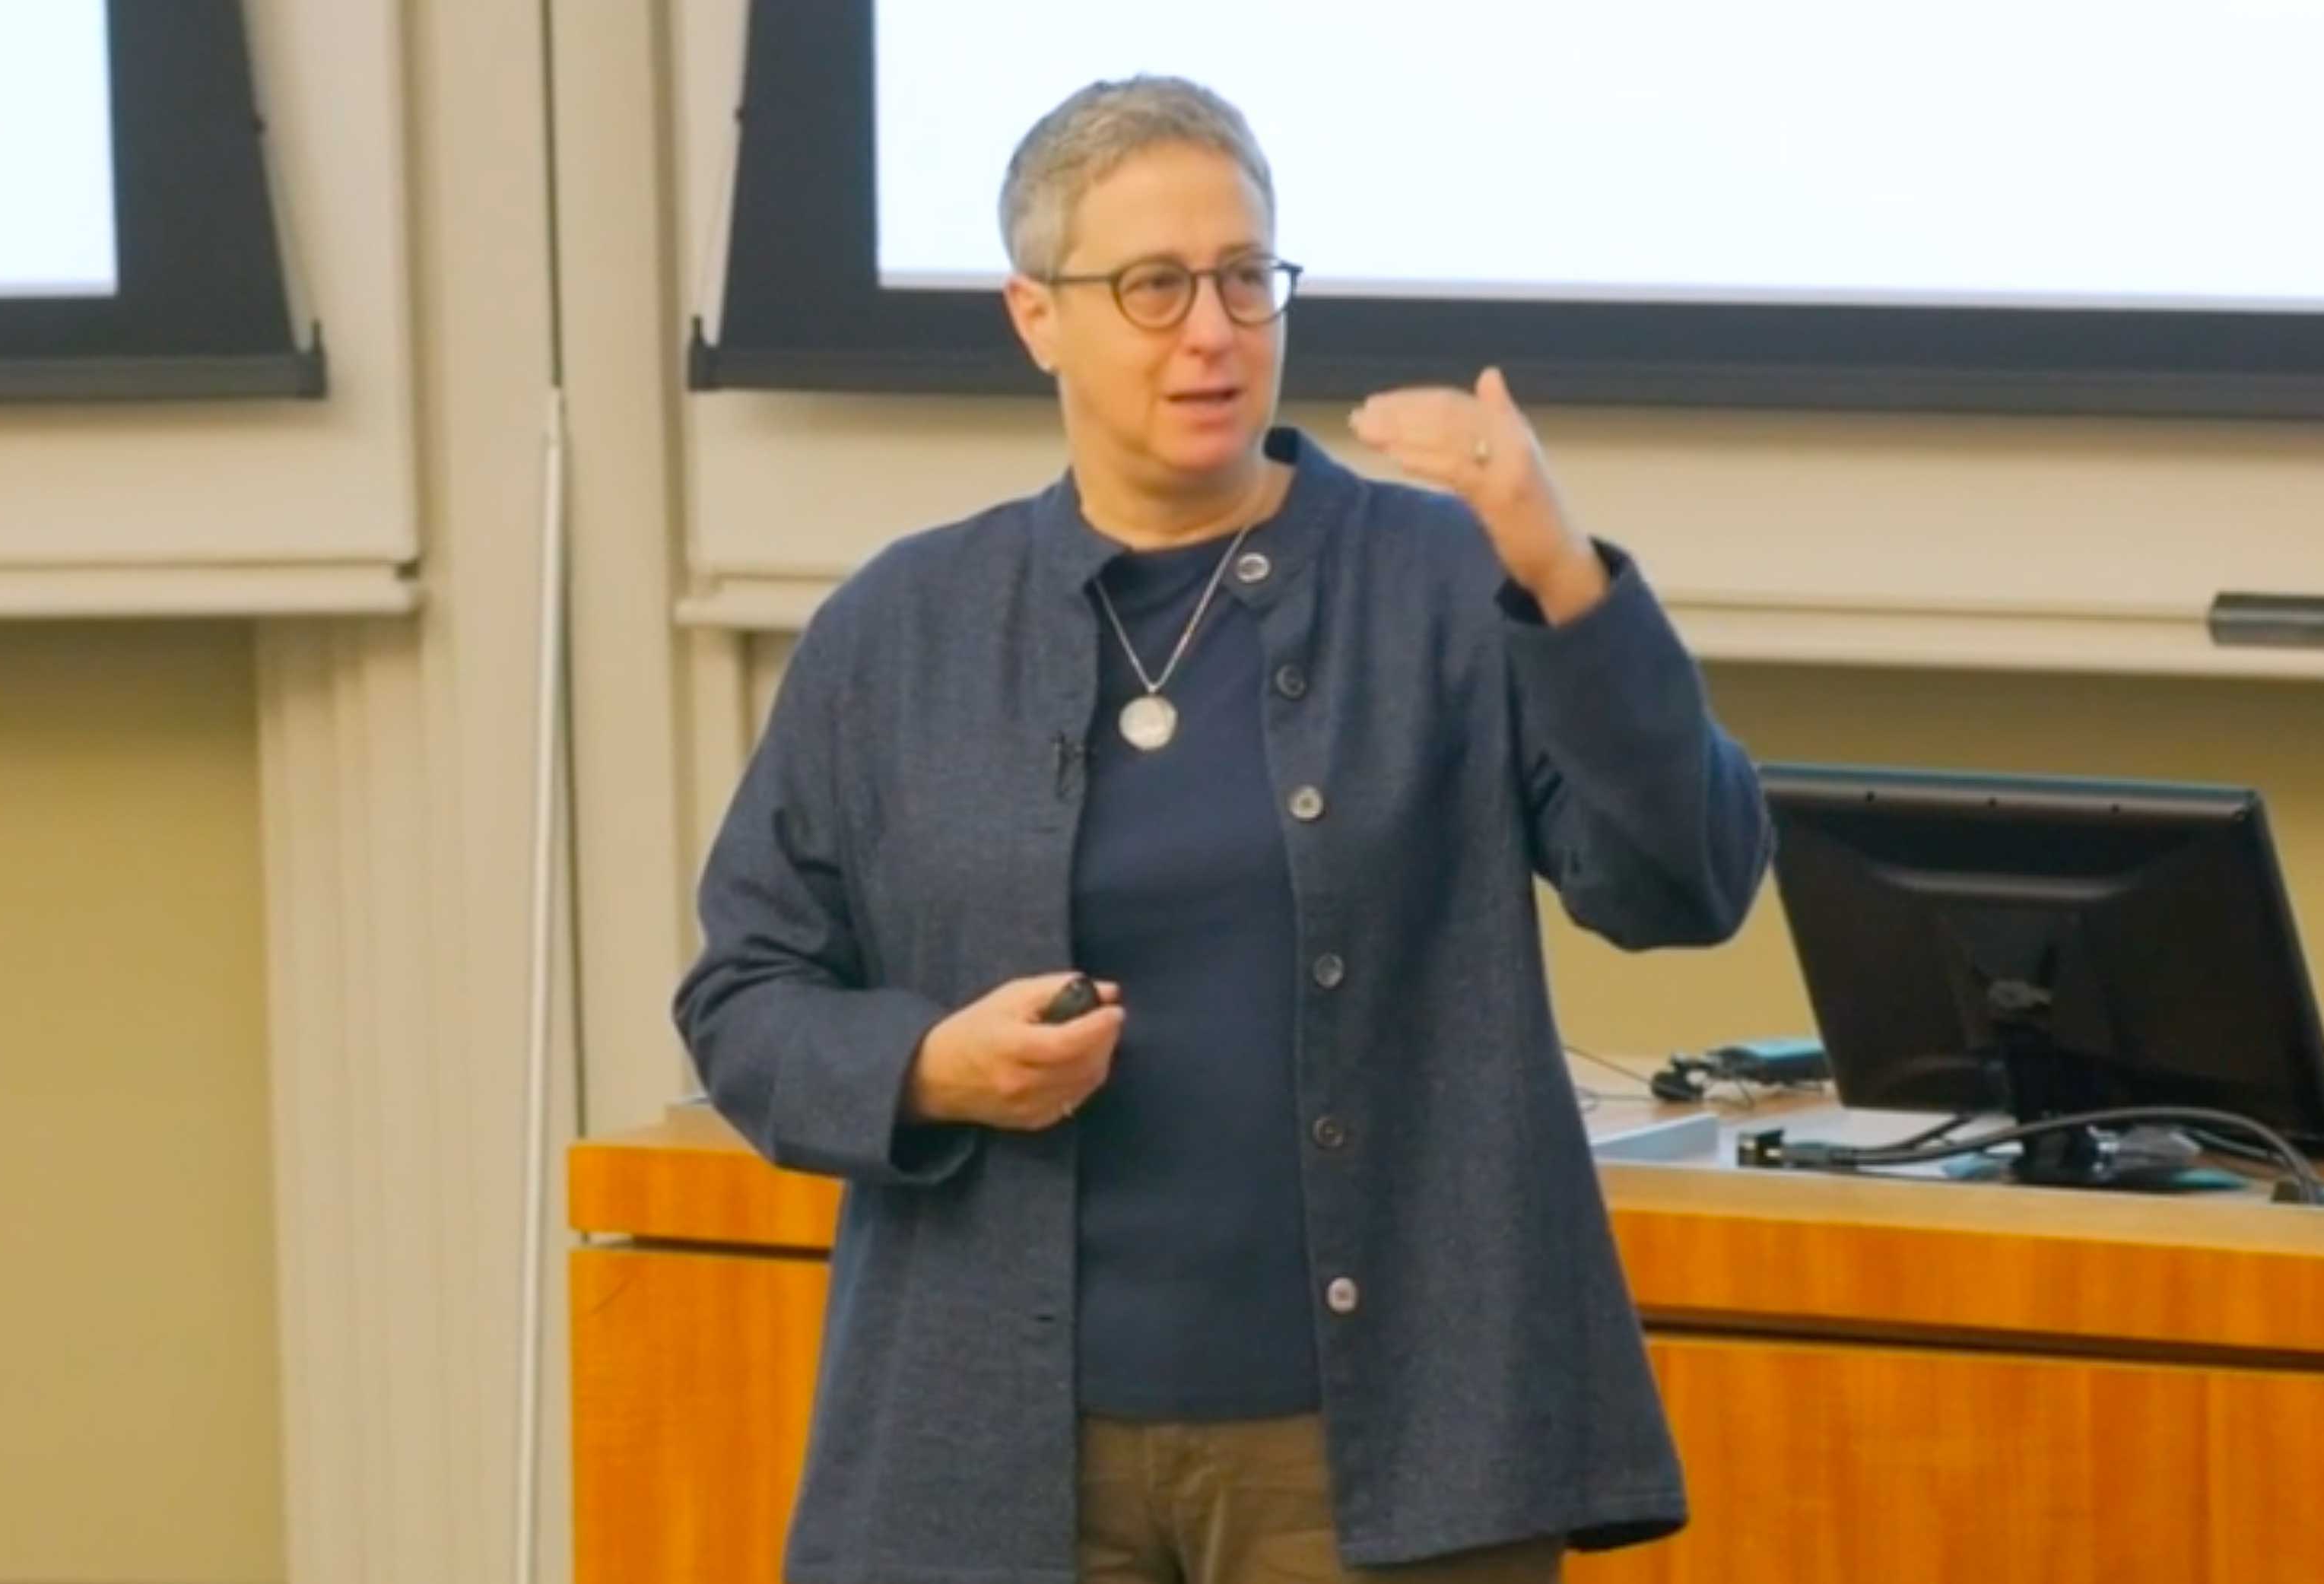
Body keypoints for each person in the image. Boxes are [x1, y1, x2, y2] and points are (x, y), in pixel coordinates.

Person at [672, 74, 1773, 1584]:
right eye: (1152, 286)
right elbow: (743, 1000)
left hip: (1381, 1454)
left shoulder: (1440, 581)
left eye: (1247, 276)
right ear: (1035, 316)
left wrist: (1559, 570)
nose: (1213, 328)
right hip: (991, 1451)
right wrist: (928, 1067)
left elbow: (1684, 883)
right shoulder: (899, 631)